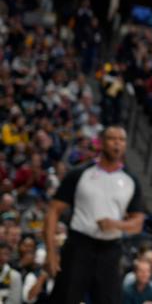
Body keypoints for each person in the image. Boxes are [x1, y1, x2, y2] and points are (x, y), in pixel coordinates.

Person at [43, 126, 145, 304]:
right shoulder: (80, 173)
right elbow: (53, 211)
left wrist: (116, 224)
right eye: (112, 139)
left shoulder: (131, 180)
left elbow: (138, 223)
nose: (117, 144)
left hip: (110, 250)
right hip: (78, 246)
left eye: (121, 140)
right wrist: (51, 252)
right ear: (102, 143)